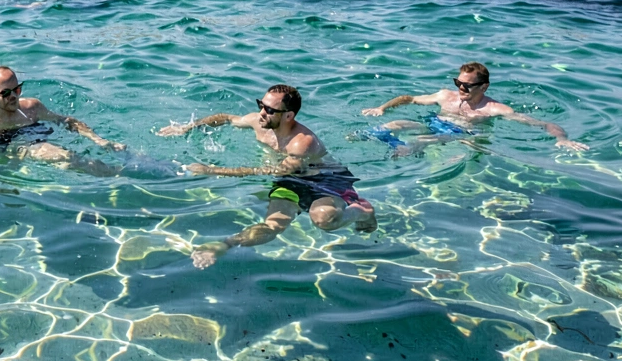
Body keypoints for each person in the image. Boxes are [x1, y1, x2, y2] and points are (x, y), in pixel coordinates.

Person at [158, 84, 375, 269]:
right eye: (261, 104)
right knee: (273, 226)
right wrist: (188, 127)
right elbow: (226, 118)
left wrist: (213, 170)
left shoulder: (302, 142)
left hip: (326, 181)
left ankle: (361, 210)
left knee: (323, 219)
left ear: (288, 115)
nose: (262, 112)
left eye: (270, 109)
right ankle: (226, 245)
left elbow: (274, 171)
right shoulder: (258, 122)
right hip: (290, 182)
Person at [361, 61, 588, 154]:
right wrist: (382, 107)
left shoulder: (495, 109)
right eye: (458, 82)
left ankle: (402, 155)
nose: (461, 88)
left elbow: (544, 124)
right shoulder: (444, 96)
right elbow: (408, 98)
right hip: (435, 124)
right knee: (393, 124)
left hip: (463, 135)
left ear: (484, 87)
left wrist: (562, 138)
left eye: (467, 85)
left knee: (421, 142)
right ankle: (364, 139)